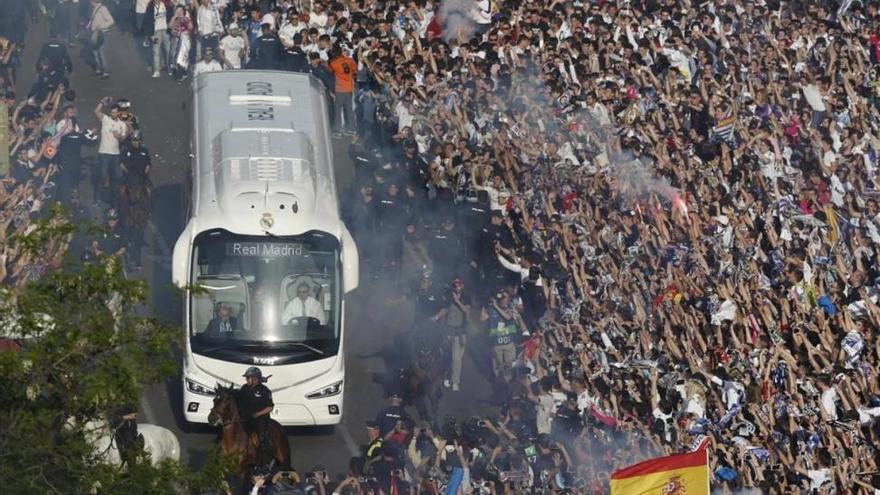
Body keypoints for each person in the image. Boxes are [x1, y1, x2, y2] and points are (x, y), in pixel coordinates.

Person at [93, 97, 129, 203]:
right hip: (104, 152)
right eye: (112, 112)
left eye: (115, 113)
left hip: (115, 154)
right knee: (104, 176)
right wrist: (102, 102)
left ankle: (116, 198)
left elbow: (123, 138)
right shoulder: (105, 119)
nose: (113, 114)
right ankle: (98, 198)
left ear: (118, 113)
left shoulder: (122, 124)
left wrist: (119, 136)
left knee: (118, 176)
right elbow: (96, 111)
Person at [239, 367, 275, 463]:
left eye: (248, 378)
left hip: (260, 419)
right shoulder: (244, 388)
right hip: (246, 417)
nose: (246, 380)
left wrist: (258, 414)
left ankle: (265, 456)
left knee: (261, 436)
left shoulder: (264, 390)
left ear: (255, 378)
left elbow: (270, 407)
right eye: (246, 378)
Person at [328, 46, 355, 133]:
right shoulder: (350, 60)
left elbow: (330, 71)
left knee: (338, 109)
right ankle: (351, 127)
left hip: (340, 88)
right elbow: (355, 70)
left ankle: (337, 128)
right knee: (349, 109)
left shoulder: (333, 63)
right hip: (349, 87)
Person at [86, 0, 114, 79]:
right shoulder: (93, 8)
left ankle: (105, 72)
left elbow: (111, 21)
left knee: (101, 53)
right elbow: (93, 19)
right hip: (94, 33)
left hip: (102, 34)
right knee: (95, 52)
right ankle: (99, 70)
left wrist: (100, 27)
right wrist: (89, 25)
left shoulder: (103, 9)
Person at [145, 0, 172, 78]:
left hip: (166, 31)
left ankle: (169, 68)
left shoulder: (166, 6)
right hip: (156, 32)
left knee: (168, 50)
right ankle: (157, 71)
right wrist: (151, 35)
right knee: (156, 51)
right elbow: (148, 22)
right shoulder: (150, 7)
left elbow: (170, 17)